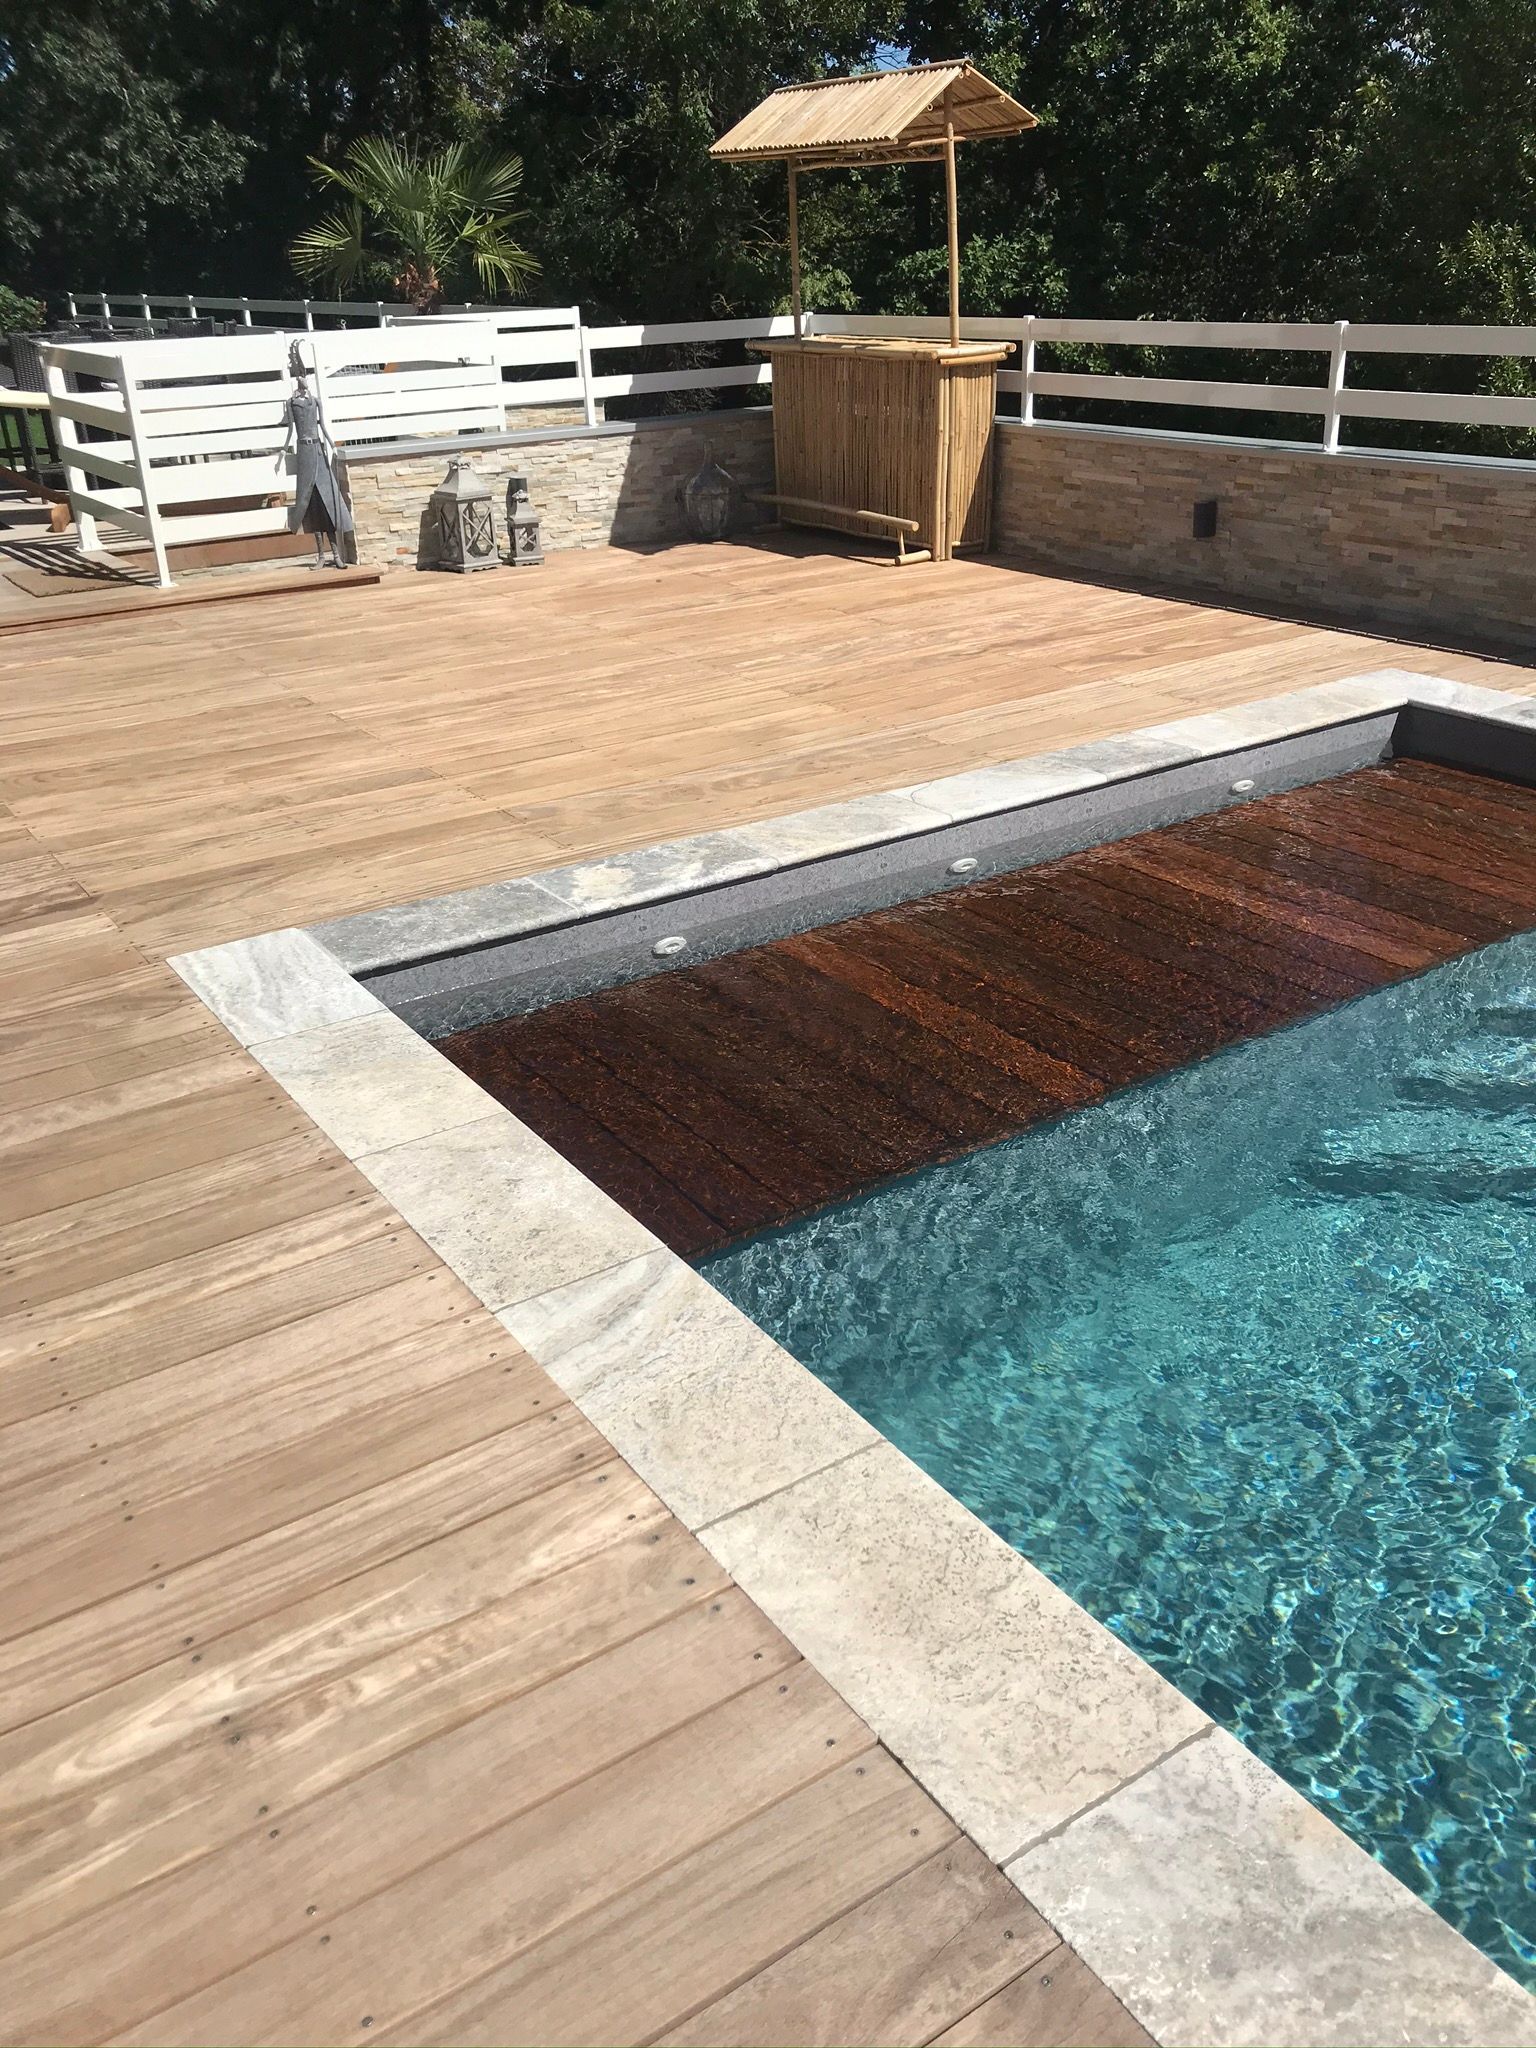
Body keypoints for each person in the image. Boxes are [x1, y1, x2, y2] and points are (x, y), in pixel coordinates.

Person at [284, 342, 353, 568]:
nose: (301, 381)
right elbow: (291, 429)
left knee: (328, 503)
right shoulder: (292, 403)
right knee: (310, 504)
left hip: (318, 451)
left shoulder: (315, 402)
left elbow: (322, 425)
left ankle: (336, 555)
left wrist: (332, 445)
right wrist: (284, 449)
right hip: (304, 453)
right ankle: (321, 555)